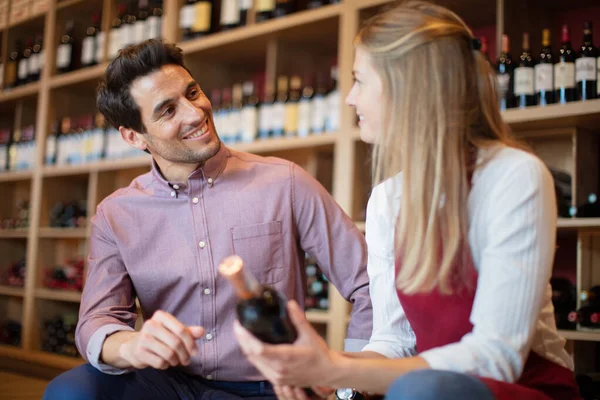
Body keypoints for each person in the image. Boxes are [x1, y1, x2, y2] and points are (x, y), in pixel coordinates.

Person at [233, 2, 582, 399]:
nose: (349, 98)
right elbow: (394, 340)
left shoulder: (514, 176)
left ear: (407, 86)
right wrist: (330, 377)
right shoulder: (387, 198)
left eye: (360, 80)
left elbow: (496, 357)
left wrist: (337, 366)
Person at [42, 39, 373, 400]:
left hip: (270, 387)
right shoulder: (115, 214)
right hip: (168, 383)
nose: (195, 113)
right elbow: (95, 322)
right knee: (70, 392)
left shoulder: (286, 182)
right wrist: (130, 346)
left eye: (193, 93)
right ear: (134, 136)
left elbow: (367, 283)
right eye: (168, 110)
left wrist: (352, 382)